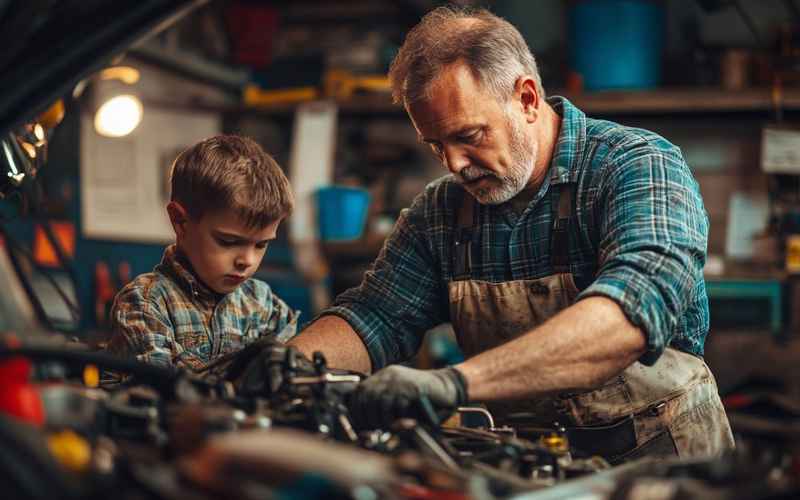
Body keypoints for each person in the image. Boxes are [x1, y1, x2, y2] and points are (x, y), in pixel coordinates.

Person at [290, 7, 734, 462]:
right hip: (526, 466)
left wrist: (456, 382)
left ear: (526, 98)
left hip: (664, 466)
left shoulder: (636, 166)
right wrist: (289, 363)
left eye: (468, 135)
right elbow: (376, 317)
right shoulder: (440, 213)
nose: (455, 164)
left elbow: (631, 315)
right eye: (437, 145)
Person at [106, 134, 298, 374]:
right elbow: (162, 390)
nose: (247, 260)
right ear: (180, 221)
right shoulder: (146, 304)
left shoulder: (264, 306)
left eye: (261, 245)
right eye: (228, 241)